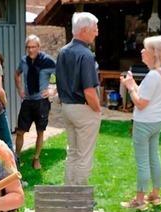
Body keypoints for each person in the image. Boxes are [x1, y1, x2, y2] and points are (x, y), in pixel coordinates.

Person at [119, 35, 161, 210]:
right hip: (157, 121)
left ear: (154, 53)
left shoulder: (152, 76)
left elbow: (141, 103)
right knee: (154, 157)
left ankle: (139, 200)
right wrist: (133, 83)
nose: (142, 51)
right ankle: (155, 196)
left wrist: (128, 88)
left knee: (142, 161)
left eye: (145, 48)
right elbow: (146, 94)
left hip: (143, 123)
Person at [55, 12, 102, 185]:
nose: (96, 33)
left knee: (73, 153)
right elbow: (89, 91)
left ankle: (69, 192)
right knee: (84, 156)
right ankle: (79, 197)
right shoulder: (86, 55)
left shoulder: (63, 51)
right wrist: (98, 109)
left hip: (67, 107)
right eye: (94, 29)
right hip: (83, 109)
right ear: (84, 30)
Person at [14, 35, 56, 170]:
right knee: (20, 131)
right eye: (28, 47)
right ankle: (16, 158)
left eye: (33, 47)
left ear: (39, 47)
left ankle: (36, 158)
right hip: (27, 101)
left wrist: (52, 91)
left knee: (40, 132)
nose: (31, 50)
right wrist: (20, 90)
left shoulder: (47, 61)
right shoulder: (23, 61)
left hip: (41, 103)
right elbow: (17, 74)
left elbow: (61, 76)